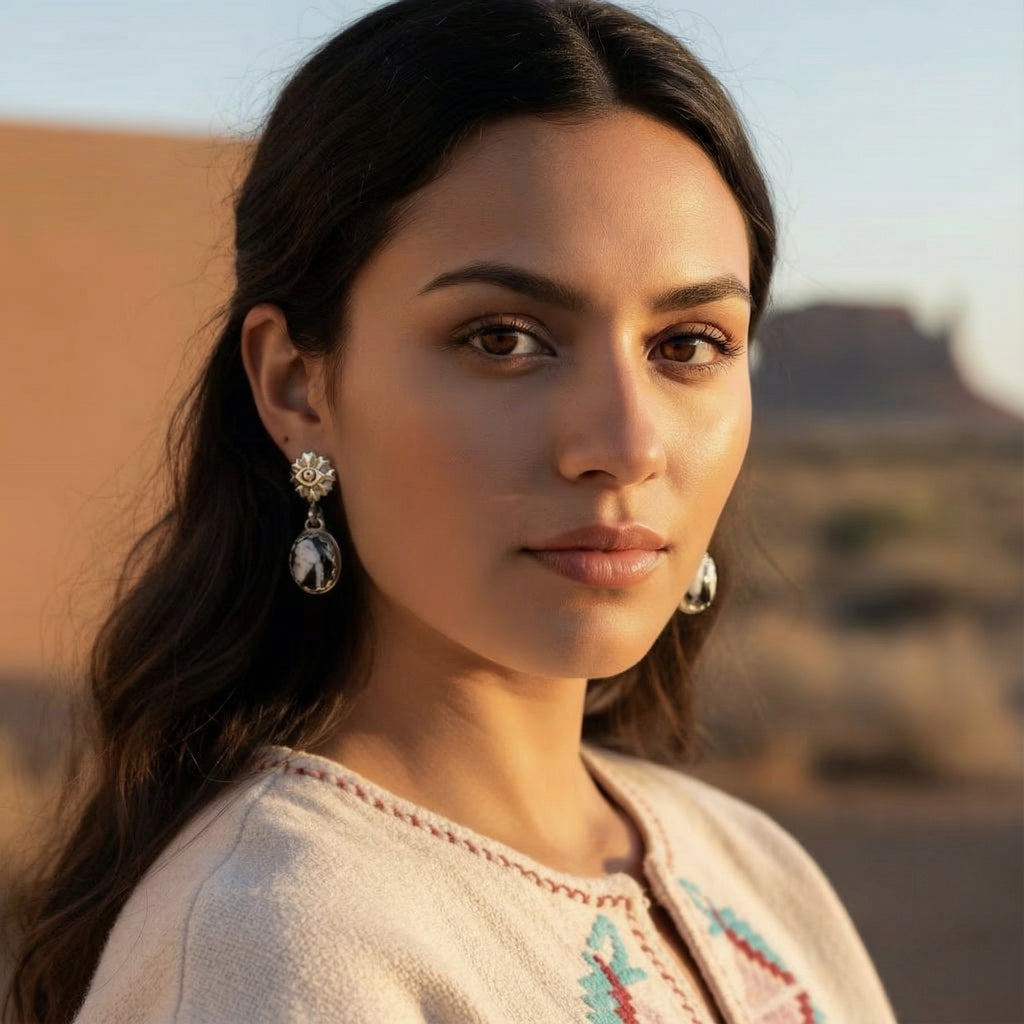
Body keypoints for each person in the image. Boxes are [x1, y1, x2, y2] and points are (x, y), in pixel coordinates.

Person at [5, 1, 898, 1021]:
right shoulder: (277, 939)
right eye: (503, 338)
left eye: (687, 344)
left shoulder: (748, 862)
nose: (624, 443)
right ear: (298, 386)